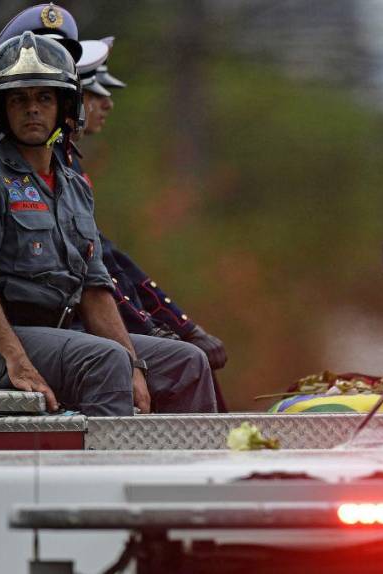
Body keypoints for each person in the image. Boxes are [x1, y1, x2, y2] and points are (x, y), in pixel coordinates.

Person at [0, 31, 217, 415]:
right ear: (0, 109)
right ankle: (104, 473)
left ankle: (182, 474)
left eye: (44, 97)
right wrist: (15, 358)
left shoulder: (73, 186)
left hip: (56, 333)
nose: (32, 108)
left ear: (65, 107)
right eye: (19, 98)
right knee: (104, 360)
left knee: (187, 363)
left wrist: (135, 365)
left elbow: (95, 289)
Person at [71, 38, 231, 410]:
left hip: (89, 322)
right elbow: (94, 273)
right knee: (185, 361)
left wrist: (181, 324)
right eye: (95, 93)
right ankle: (195, 466)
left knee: (189, 352)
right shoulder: (53, 170)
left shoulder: (69, 168)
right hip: (71, 326)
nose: (107, 103)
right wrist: (154, 327)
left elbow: (111, 259)